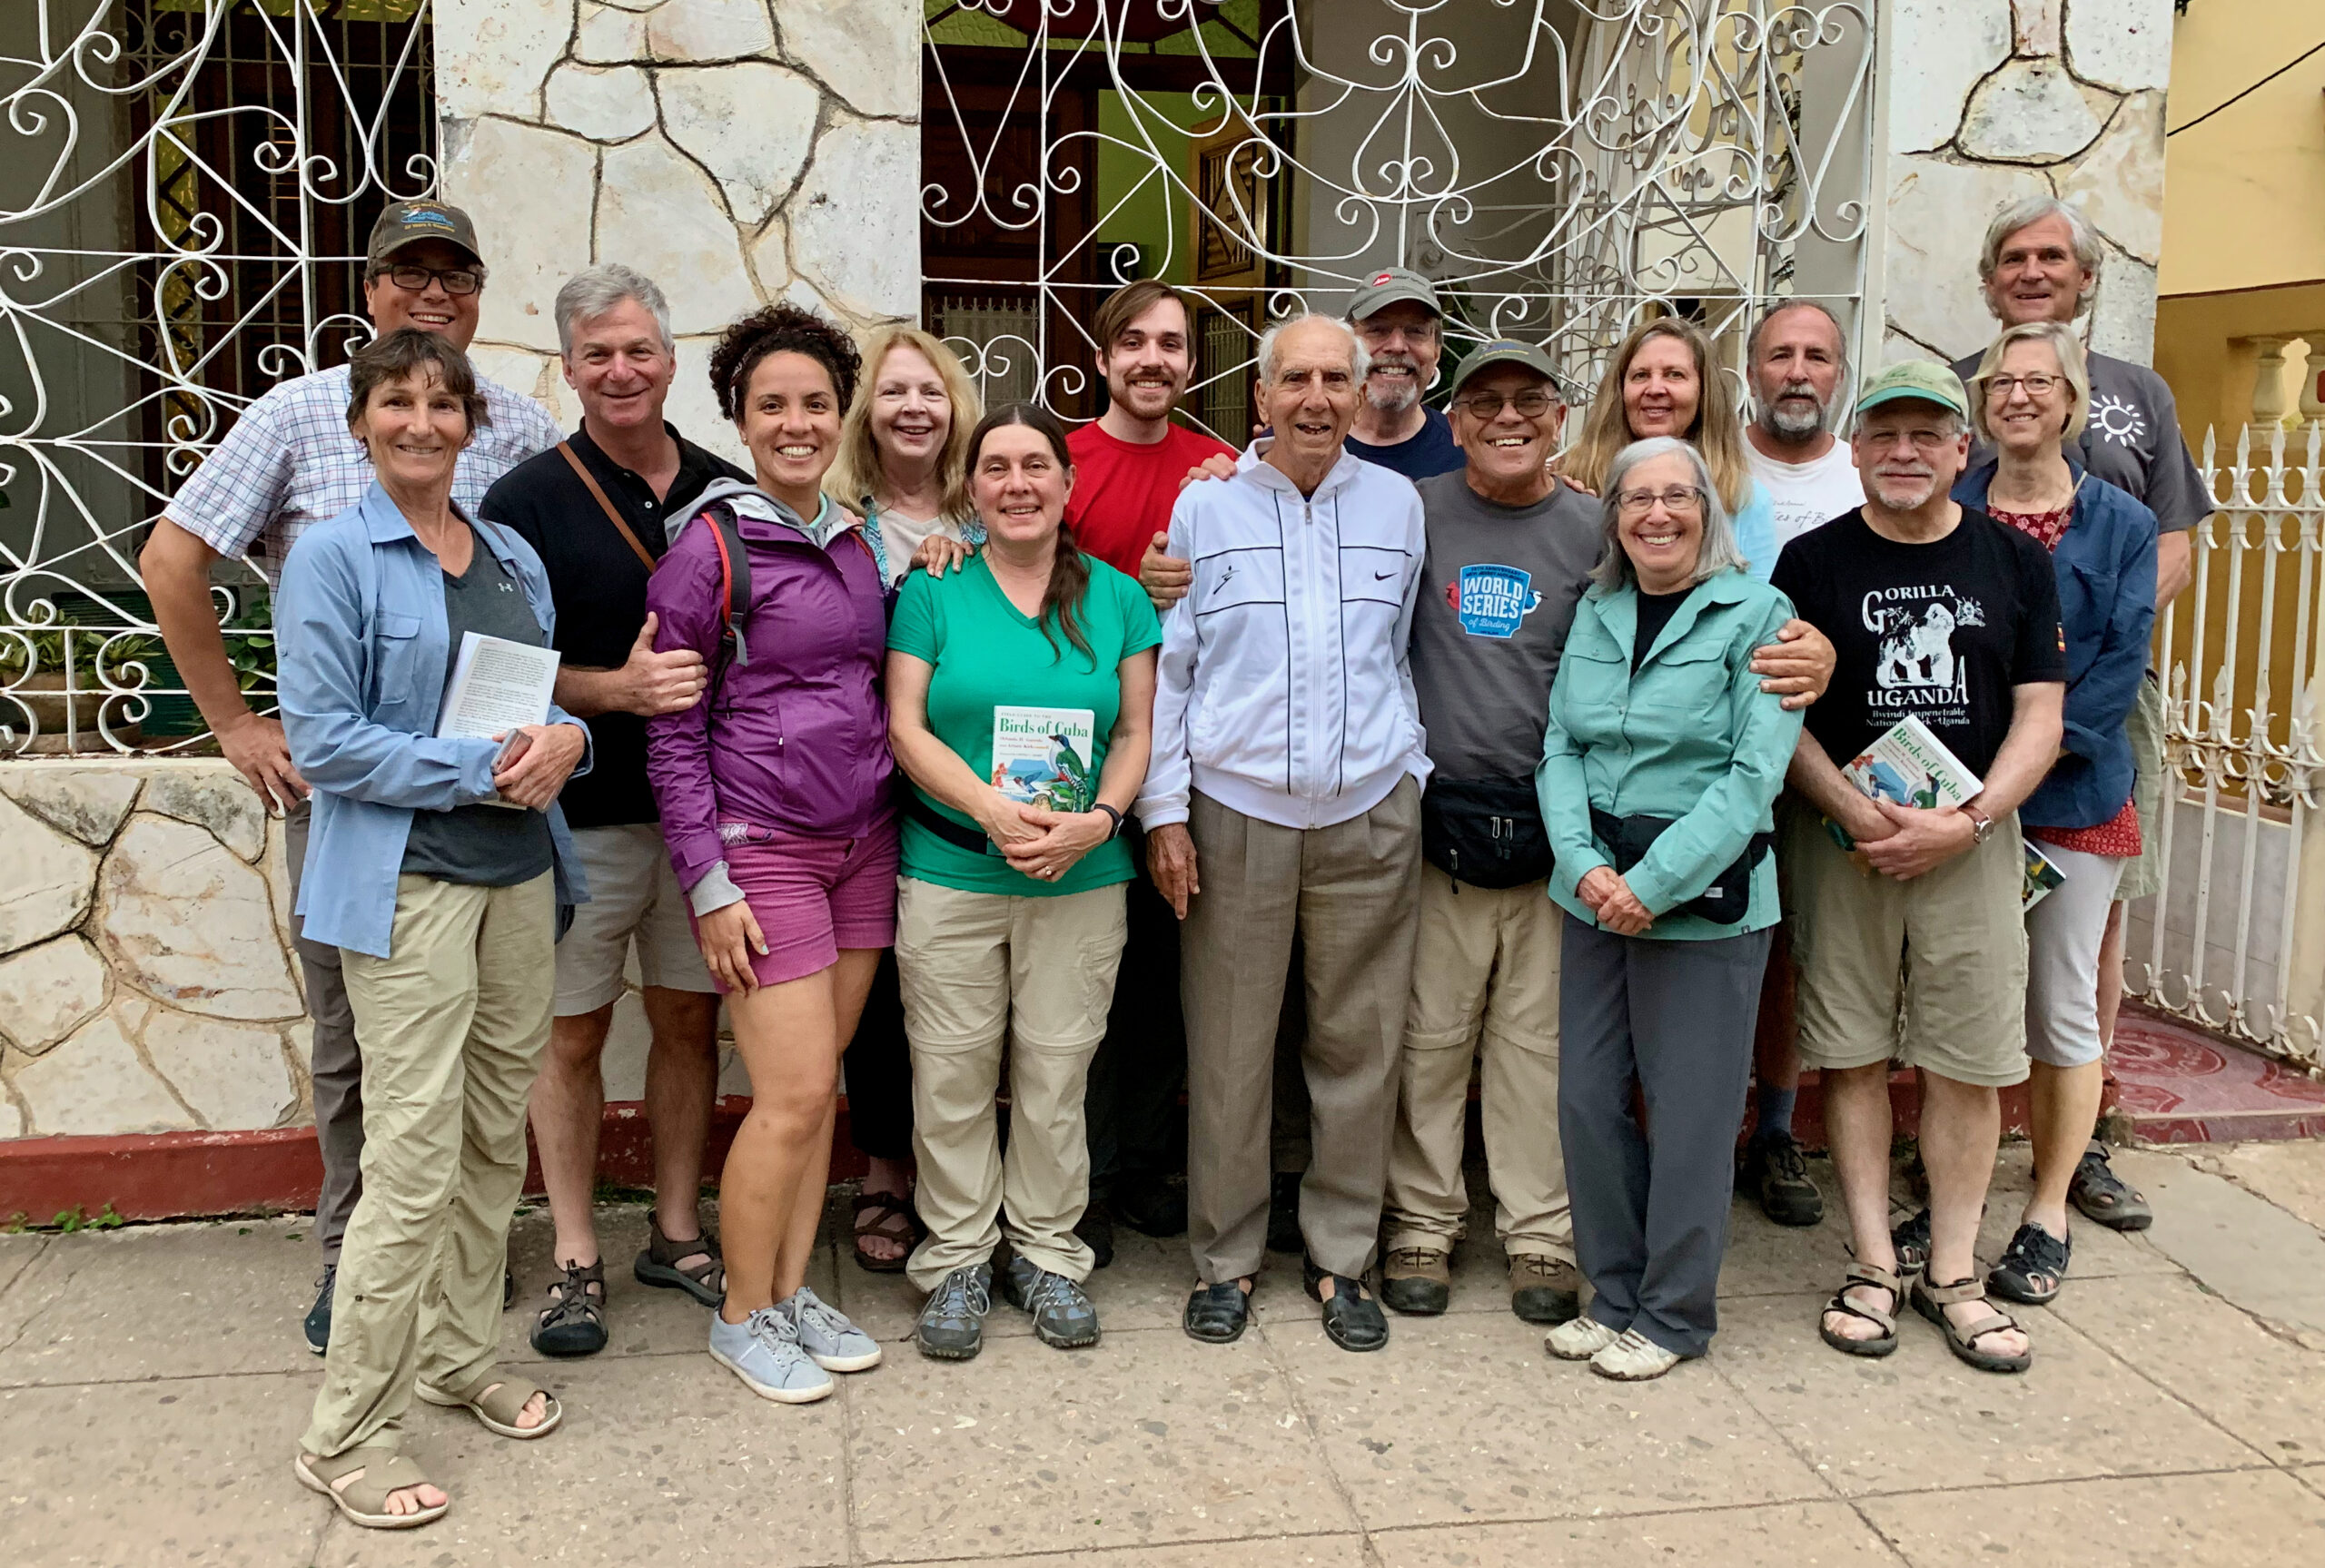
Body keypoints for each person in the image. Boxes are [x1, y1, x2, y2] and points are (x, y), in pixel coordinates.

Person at [141, 200, 560, 1353]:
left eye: (454, 273)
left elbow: (541, 597)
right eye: (407, 272)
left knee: (480, 1058)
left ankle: (460, 1269)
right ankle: (355, 1259)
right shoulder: (296, 414)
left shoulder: (517, 423)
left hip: (503, 811)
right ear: (369, 289)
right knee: (355, 1042)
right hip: (365, 806)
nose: (433, 293)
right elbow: (172, 557)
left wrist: (562, 727)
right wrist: (233, 720)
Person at [278, 329, 589, 1529]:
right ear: (362, 422)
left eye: (442, 403)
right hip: (408, 882)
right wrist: (479, 767)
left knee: (486, 1137)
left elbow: (546, 708)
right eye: (397, 402)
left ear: (469, 424)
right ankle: (348, 1425)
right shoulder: (333, 558)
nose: (421, 421)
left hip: (519, 876)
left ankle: (458, 1354)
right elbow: (325, 742)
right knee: (408, 1156)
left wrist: (571, 741)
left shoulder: (508, 550)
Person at [1142, 313, 1427, 1356]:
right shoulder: (1204, 506)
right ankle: (1225, 1257)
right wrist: (1164, 812)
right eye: (1294, 379)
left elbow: (1399, 651)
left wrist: (1410, 765)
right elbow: (1174, 669)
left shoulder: (1400, 505)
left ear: (1361, 395)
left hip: (1369, 811)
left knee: (1359, 1042)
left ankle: (1341, 1256)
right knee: (1227, 1047)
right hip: (1237, 812)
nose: (1316, 397)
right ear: (1258, 398)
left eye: (1335, 379)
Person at [1773, 361, 2065, 1376]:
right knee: (1851, 1051)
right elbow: (1783, 715)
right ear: (1854, 449)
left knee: (1968, 1060)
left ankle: (1952, 1271)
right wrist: (1854, 811)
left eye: (1925, 435)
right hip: (1844, 842)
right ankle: (1867, 1260)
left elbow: (2040, 709)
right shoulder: (1808, 564)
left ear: (1960, 450)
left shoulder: (2012, 563)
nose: (1903, 451)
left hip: (1969, 844)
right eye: (1884, 433)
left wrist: (1974, 816)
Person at [478, 265, 747, 1356]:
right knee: (572, 1034)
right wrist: (613, 690)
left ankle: (676, 1229)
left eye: (639, 349)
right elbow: (496, 672)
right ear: (568, 368)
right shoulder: (523, 502)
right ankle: (577, 1250)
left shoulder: (731, 493)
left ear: (673, 360)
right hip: (578, 820)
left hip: (704, 819)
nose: (621, 370)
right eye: (598, 354)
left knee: (689, 1023)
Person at [644, 302, 887, 1405]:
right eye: (772, 405)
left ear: (841, 414)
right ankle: (741, 1313)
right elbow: (670, 731)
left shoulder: (858, 535)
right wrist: (707, 880)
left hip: (864, 843)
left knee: (819, 1091)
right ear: (739, 419)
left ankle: (786, 1292)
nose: (796, 422)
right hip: (764, 847)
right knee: (788, 1096)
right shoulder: (710, 546)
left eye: (815, 404)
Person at [1952, 195, 2208, 1231]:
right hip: (1969, 768)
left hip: (2088, 743)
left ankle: (2068, 1163)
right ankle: (1962, 1159)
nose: (2033, 271)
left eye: (2052, 256)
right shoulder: (1958, 470)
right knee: (1968, 975)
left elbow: (2159, 563)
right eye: (2013, 257)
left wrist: (2045, 740)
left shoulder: (2138, 409)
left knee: (2079, 957)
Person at [885, 401, 1162, 1360]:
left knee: (1055, 1071)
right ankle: (958, 1254)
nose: (1016, 483)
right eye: (995, 467)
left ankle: (1046, 1250)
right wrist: (990, 811)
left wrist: (1102, 819)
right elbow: (906, 723)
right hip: (955, 868)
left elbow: (1133, 730)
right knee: (953, 1071)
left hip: (1081, 876)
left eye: (1034, 465)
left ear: (1066, 482)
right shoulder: (933, 591)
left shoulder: (1121, 598)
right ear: (972, 488)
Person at [1537, 436, 1805, 1381]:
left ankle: (1674, 1310)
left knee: (1690, 1112)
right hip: (1592, 892)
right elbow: (1561, 746)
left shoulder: (1759, 614)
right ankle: (1611, 1291)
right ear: (1612, 516)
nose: (1657, 513)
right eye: (1636, 497)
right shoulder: (1598, 608)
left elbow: (1750, 778)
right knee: (1584, 1098)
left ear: (1707, 509)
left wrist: (1649, 885)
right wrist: (1581, 862)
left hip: (1705, 904)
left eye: (1676, 496)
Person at [1379, 340, 1595, 1326]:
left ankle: (1539, 1230)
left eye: (1528, 402)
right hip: (1437, 820)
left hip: (1555, 819)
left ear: (1559, 419)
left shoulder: (1598, 527)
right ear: (1452, 420)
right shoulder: (1412, 513)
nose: (1507, 418)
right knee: (1428, 1034)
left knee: (1533, 1041)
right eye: (1483, 403)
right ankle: (1422, 1216)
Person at [1953, 322, 2156, 1305]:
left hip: (2069, 797)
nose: (2019, 395)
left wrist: (2009, 769)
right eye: (2002, 381)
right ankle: (1955, 1194)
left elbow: (2112, 671)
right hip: (1957, 801)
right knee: (1961, 999)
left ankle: (2045, 1206)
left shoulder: (2117, 523)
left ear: (2072, 402)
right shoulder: (1952, 505)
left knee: (2056, 1002)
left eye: (2040, 381)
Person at [823, 325, 988, 1273]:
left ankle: (960, 1173)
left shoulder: (990, 509)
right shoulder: (836, 516)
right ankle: (887, 1167)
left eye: (929, 391)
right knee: (880, 993)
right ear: (867, 413)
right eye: (893, 393)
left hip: (963, 794)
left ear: (953, 405)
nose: (914, 408)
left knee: (959, 994)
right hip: (856, 795)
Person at [1736, 299, 1865, 1228]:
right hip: (1723, 751)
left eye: (1816, 355)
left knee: (1794, 949)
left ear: (1839, 372)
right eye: (1778, 353)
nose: (1796, 371)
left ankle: (1775, 1128)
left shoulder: (1869, 475)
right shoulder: (1716, 467)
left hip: (1836, 751)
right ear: (1750, 370)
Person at [1566, 316, 1778, 582]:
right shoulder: (1577, 483)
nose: (1655, 388)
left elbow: (1760, 611)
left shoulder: (1744, 499)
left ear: (1704, 392)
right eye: (1640, 375)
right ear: (1620, 391)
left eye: (1674, 375)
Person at [1342, 267, 1465, 478]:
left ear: (1436, 352)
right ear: (1347, 347)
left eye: (1415, 331)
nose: (1397, 346)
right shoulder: (1305, 445)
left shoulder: (1465, 454)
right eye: (1378, 329)